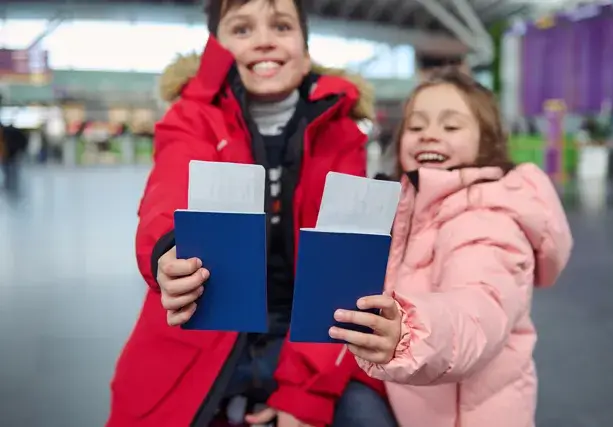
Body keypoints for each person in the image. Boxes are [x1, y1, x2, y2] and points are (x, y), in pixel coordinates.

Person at [107, 1, 398, 426]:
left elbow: (338, 274)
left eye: (281, 26)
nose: (264, 40)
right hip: (201, 336)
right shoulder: (191, 117)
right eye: (241, 30)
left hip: (309, 342)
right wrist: (169, 250)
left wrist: (304, 395)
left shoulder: (341, 130)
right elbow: (168, 190)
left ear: (305, 48)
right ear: (216, 49)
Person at [328, 68, 573, 427]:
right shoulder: (414, 208)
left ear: (486, 141)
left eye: (451, 126)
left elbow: (478, 311)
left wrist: (408, 333)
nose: (429, 134)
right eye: (416, 126)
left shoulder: (487, 217)